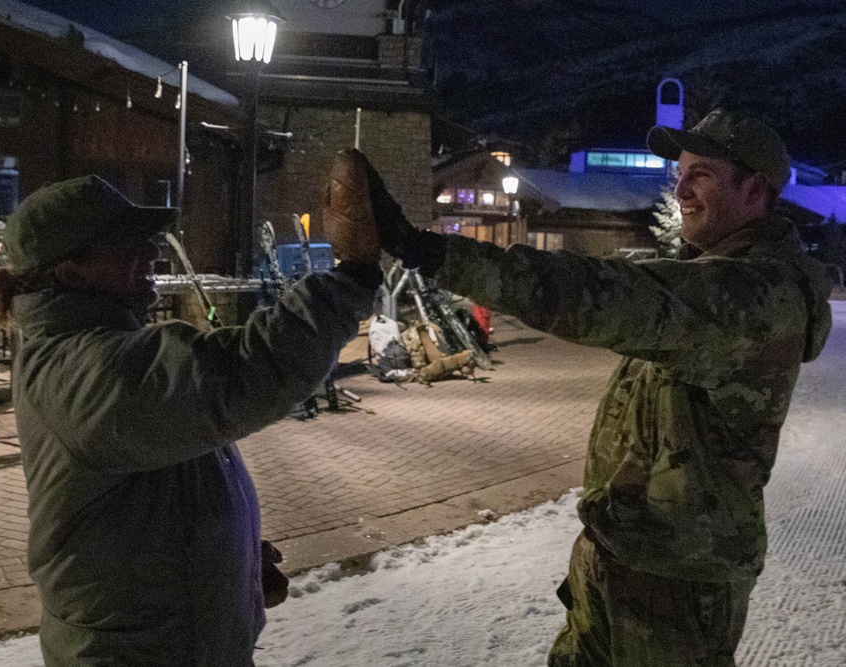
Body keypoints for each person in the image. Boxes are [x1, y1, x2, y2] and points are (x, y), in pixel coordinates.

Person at [337, 108, 833, 665]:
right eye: (681, 171)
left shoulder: (753, 298)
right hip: (621, 560)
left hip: (674, 583)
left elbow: (599, 295)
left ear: (756, 192)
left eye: (704, 175)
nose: (682, 188)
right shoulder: (709, 278)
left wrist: (425, 249)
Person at [0, 172, 381, 666]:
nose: (151, 253)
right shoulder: (84, 367)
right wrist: (352, 277)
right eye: (126, 244)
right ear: (70, 270)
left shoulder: (98, 350)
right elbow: (245, 371)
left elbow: (159, 489)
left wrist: (224, 559)